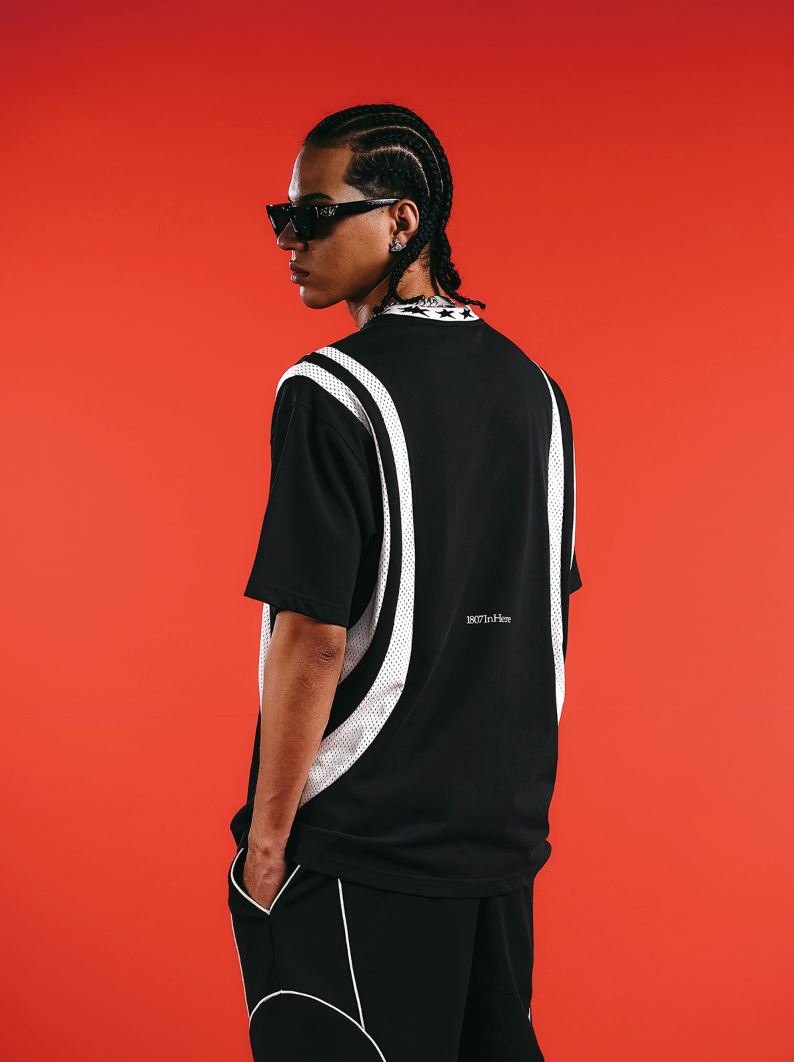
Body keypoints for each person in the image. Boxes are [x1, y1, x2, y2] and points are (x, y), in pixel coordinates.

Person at [228, 103, 580, 1062]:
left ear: (402, 221)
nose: (291, 240)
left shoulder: (327, 391)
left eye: (314, 214)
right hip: (500, 847)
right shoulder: (537, 391)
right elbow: (539, 621)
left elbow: (314, 636)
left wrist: (267, 842)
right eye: (283, 217)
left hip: (362, 848)